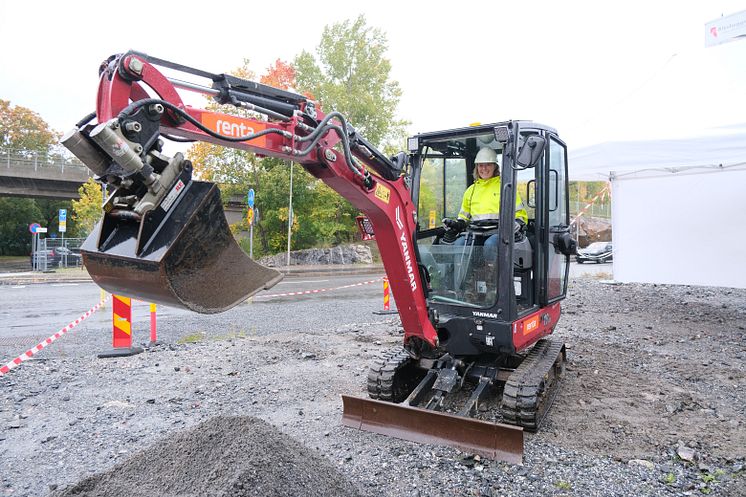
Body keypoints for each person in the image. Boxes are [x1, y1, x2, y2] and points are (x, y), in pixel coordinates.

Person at [442, 147, 528, 260]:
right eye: (481, 165)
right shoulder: (471, 191)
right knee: (460, 244)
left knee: (490, 245)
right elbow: (463, 217)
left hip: (498, 233)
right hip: (476, 233)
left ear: (495, 167)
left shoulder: (506, 187)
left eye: (488, 165)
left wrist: (517, 223)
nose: (484, 168)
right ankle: (463, 277)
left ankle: (490, 275)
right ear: (477, 168)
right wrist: (455, 225)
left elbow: (520, 214)